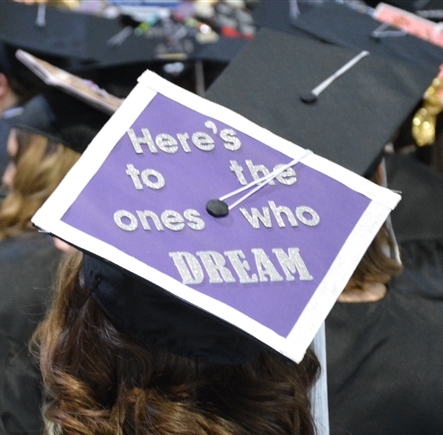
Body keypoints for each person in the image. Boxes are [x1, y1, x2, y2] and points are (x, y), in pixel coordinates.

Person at [0, 78, 111, 432]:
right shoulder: (120, 275)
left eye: (16, 160)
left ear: (46, 168)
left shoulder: (16, 269)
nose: (6, 177)